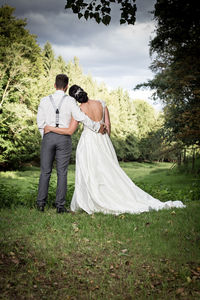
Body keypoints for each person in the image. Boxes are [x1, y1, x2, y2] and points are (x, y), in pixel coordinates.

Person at [44, 84, 186, 215]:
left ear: (74, 98)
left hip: (88, 142)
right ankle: (113, 194)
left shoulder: (80, 109)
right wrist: (106, 141)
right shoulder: (101, 103)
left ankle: (94, 199)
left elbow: (71, 130)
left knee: (91, 172)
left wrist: (51, 128)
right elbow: (108, 125)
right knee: (109, 170)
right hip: (103, 140)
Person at [36, 75, 105, 213]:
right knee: (62, 172)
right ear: (66, 86)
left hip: (48, 137)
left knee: (45, 172)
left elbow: (40, 124)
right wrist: (96, 127)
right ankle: (60, 206)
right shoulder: (70, 101)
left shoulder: (44, 101)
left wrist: (47, 137)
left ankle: (40, 204)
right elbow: (81, 117)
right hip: (64, 139)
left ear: (55, 85)